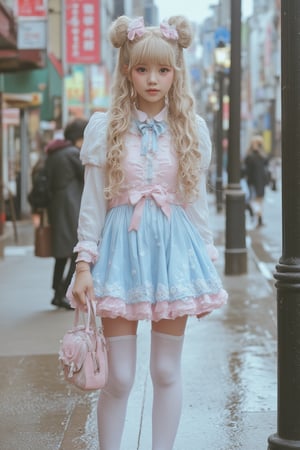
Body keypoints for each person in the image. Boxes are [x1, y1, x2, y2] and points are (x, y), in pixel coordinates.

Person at [68, 16, 228, 449]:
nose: (153, 79)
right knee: (119, 375)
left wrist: (207, 262)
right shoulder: (106, 128)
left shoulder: (190, 129)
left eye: (163, 70)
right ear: (127, 70)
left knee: (166, 370)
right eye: (142, 69)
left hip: (174, 253)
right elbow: (93, 204)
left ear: (177, 71)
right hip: (121, 253)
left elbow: (195, 203)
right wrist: (84, 263)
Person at [45, 118, 88, 309]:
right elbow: (87, 175)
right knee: (74, 251)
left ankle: (57, 292)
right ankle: (64, 293)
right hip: (70, 207)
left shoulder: (55, 153)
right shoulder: (72, 154)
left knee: (61, 253)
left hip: (57, 206)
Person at [244, 135, 269, 228]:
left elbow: (247, 171)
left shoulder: (252, 156)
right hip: (258, 183)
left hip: (254, 183)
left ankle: (258, 219)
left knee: (255, 201)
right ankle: (259, 219)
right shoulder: (260, 156)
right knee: (257, 201)